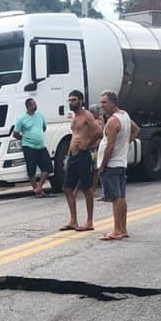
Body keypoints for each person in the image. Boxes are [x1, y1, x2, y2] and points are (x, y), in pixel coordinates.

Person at [96, 89, 138, 241]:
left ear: (113, 103)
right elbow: (136, 129)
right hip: (121, 162)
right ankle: (123, 228)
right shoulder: (124, 116)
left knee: (115, 198)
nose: (102, 106)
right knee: (120, 197)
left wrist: (102, 165)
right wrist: (125, 144)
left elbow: (110, 146)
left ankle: (117, 230)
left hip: (112, 165)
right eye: (101, 103)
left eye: (104, 103)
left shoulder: (113, 121)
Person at [60, 89, 101, 231]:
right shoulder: (74, 117)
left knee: (86, 188)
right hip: (73, 156)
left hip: (83, 156)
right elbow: (74, 135)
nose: (71, 102)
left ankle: (89, 221)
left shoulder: (87, 115)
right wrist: (68, 154)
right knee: (67, 188)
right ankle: (73, 220)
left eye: (74, 100)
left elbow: (98, 132)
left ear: (81, 101)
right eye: (69, 100)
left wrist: (87, 144)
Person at [12, 98, 52, 196]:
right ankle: (37, 190)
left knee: (48, 167)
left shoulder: (39, 116)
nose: (35, 106)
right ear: (28, 106)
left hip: (40, 146)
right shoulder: (22, 119)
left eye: (35, 104)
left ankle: (39, 188)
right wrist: (24, 138)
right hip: (29, 147)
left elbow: (43, 128)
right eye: (33, 104)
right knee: (31, 169)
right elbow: (16, 133)